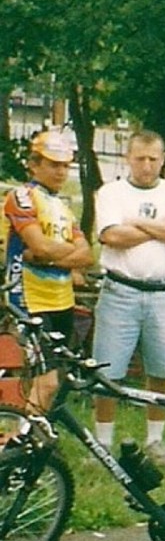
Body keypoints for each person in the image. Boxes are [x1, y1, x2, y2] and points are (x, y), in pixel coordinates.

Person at [92, 130, 165, 465]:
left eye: (153, 158)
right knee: (107, 370)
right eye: (140, 158)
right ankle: (102, 443)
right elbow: (111, 236)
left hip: (163, 293)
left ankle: (154, 439)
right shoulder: (111, 193)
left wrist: (135, 223)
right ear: (128, 157)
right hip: (119, 291)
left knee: (162, 370)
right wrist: (158, 226)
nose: (147, 165)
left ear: (163, 159)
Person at [2, 131, 94, 411]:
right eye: (54, 164)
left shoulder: (63, 207)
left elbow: (87, 254)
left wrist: (51, 259)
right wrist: (64, 253)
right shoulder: (21, 197)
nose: (61, 171)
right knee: (48, 380)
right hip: (28, 301)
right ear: (34, 164)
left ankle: (35, 441)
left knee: (52, 379)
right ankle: (26, 445)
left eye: (66, 165)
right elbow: (38, 246)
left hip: (62, 301)